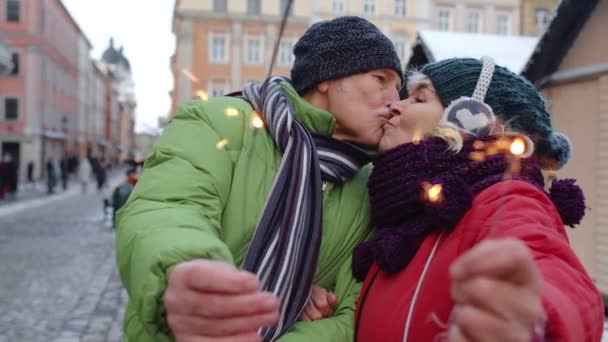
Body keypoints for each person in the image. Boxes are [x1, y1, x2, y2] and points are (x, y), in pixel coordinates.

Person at [116, 16, 402, 342]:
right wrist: (186, 269)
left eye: (398, 87)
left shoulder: (373, 183)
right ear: (328, 77)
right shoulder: (221, 122)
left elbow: (354, 312)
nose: (395, 101)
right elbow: (167, 207)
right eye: (381, 79)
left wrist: (292, 286)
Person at [351, 57, 604, 341]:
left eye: (419, 99)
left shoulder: (505, 197)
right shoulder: (404, 208)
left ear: (470, 120)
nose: (395, 105)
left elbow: (556, 276)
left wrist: (532, 318)